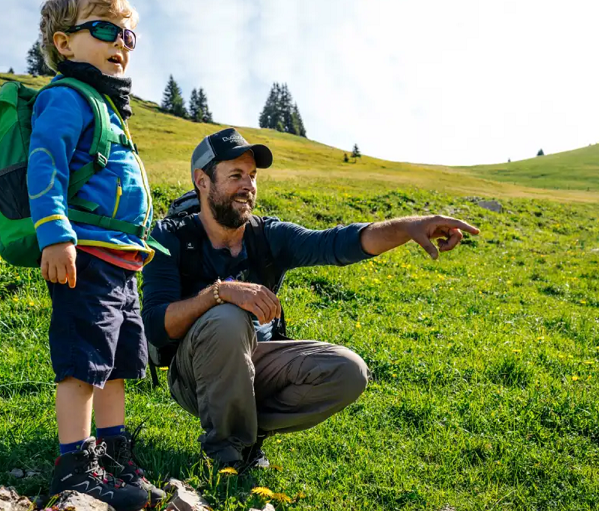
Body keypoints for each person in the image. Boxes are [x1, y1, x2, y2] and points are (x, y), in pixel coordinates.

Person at [142, 127, 480, 470]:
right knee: (228, 316)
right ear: (202, 181)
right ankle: (228, 455)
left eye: (253, 176)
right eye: (235, 175)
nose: (248, 186)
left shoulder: (268, 235)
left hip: (255, 360)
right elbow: (155, 326)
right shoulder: (171, 237)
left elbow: (336, 243)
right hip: (195, 373)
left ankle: (243, 427)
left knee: (349, 371)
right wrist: (219, 293)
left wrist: (408, 227)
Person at [27, 1, 164, 509]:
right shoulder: (68, 97)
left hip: (123, 263)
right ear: (64, 43)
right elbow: (45, 165)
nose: (120, 45)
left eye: (129, 37)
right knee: (84, 359)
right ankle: (75, 465)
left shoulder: (106, 106)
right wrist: (55, 235)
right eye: (106, 30)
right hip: (85, 255)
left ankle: (113, 451)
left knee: (118, 361)